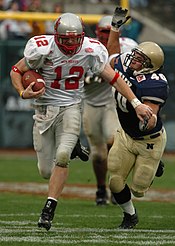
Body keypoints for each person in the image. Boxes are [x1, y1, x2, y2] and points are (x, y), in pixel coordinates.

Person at [10, 12, 152, 231]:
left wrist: (136, 103)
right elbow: (17, 70)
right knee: (45, 171)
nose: (69, 43)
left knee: (63, 156)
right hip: (44, 110)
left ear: (81, 35)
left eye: (74, 38)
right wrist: (22, 92)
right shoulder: (42, 48)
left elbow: (114, 78)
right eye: (64, 39)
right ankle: (74, 147)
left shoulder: (90, 50)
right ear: (56, 35)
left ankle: (49, 209)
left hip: (72, 107)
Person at [106, 7, 169, 229]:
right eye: (135, 55)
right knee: (114, 181)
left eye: (140, 59)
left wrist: (146, 118)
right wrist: (115, 28)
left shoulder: (155, 83)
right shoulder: (126, 61)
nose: (133, 59)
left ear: (150, 65)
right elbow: (112, 56)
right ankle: (130, 216)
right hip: (125, 134)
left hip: (148, 140)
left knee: (139, 190)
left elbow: (149, 119)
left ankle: (155, 165)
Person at [82, 14, 138, 206]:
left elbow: (139, 69)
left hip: (113, 105)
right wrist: (87, 80)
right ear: (98, 31)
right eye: (103, 31)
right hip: (91, 103)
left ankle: (117, 186)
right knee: (98, 154)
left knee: (114, 143)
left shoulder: (129, 46)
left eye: (109, 31)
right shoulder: (87, 47)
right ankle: (100, 188)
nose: (106, 35)